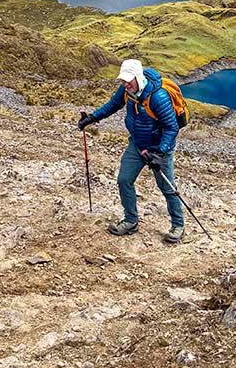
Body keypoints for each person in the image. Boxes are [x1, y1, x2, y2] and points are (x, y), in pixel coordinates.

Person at [79, 59, 184, 243]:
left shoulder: (158, 97)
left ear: (138, 77)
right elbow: (113, 105)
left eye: (129, 80)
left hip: (159, 150)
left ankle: (178, 225)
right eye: (123, 80)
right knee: (124, 180)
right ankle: (130, 221)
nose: (126, 84)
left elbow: (171, 128)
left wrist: (160, 152)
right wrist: (92, 118)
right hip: (137, 145)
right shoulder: (127, 90)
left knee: (167, 187)